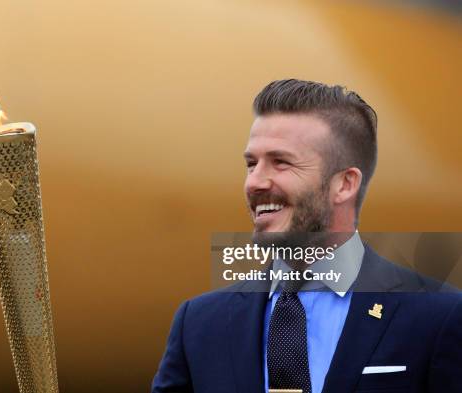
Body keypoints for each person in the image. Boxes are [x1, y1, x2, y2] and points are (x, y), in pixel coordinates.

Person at [152, 79, 462, 393]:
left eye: (281, 162)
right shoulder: (199, 324)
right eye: (251, 164)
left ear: (344, 184)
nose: (255, 183)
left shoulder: (439, 314)